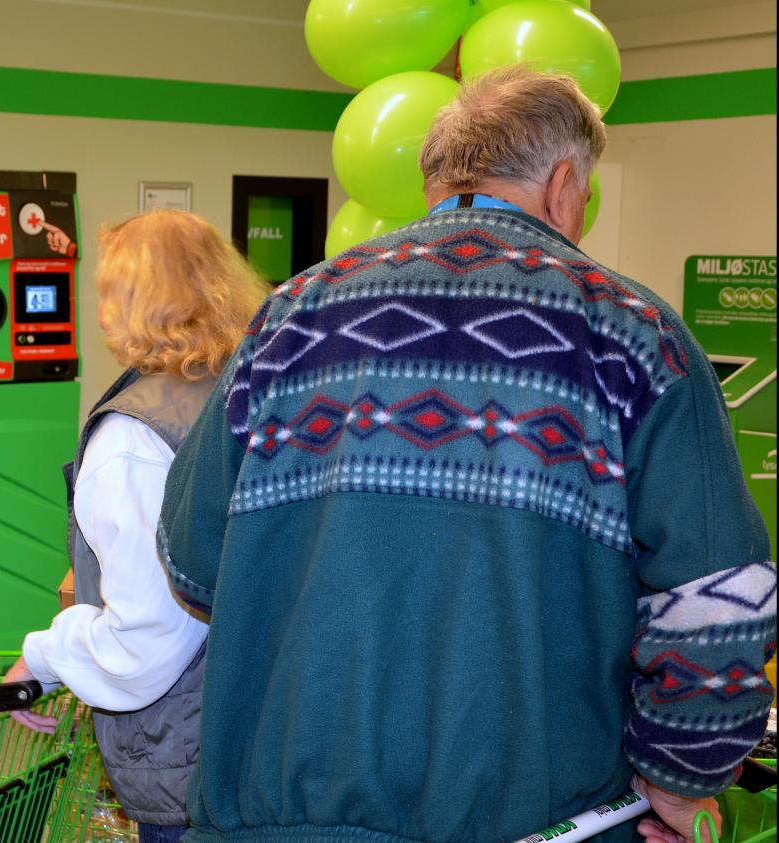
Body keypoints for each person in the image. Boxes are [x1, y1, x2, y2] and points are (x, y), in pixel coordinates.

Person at [158, 66, 776, 843]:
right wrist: (680, 776)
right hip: (538, 821)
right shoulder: (635, 334)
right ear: (564, 186)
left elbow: (192, 560)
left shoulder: (289, 316)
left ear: (435, 181)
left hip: (274, 818)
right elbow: (718, 603)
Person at [4, 210, 269, 842]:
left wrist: (43, 657)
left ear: (131, 303)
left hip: (184, 753)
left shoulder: (132, 438)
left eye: (106, 291)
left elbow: (145, 639)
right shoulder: (245, 393)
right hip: (255, 725)